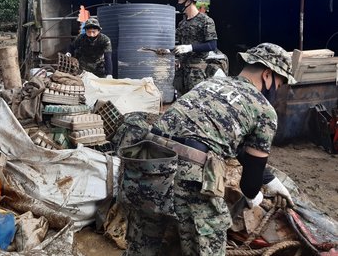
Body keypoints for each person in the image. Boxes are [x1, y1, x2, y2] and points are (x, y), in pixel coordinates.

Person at [120, 42, 296, 256]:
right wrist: (254, 195)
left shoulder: (207, 86)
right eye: (280, 83)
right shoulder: (264, 110)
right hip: (190, 175)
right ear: (268, 75)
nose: (278, 90)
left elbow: (218, 137)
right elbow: (249, 184)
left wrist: (270, 180)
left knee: (142, 247)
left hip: (146, 165)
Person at [173, 0, 218, 96]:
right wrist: (174, 56)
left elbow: (212, 45)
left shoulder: (205, 20)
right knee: (181, 100)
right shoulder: (182, 24)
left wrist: (190, 47)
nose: (178, 2)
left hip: (196, 72)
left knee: (196, 103)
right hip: (182, 71)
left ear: (188, 0)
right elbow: (178, 44)